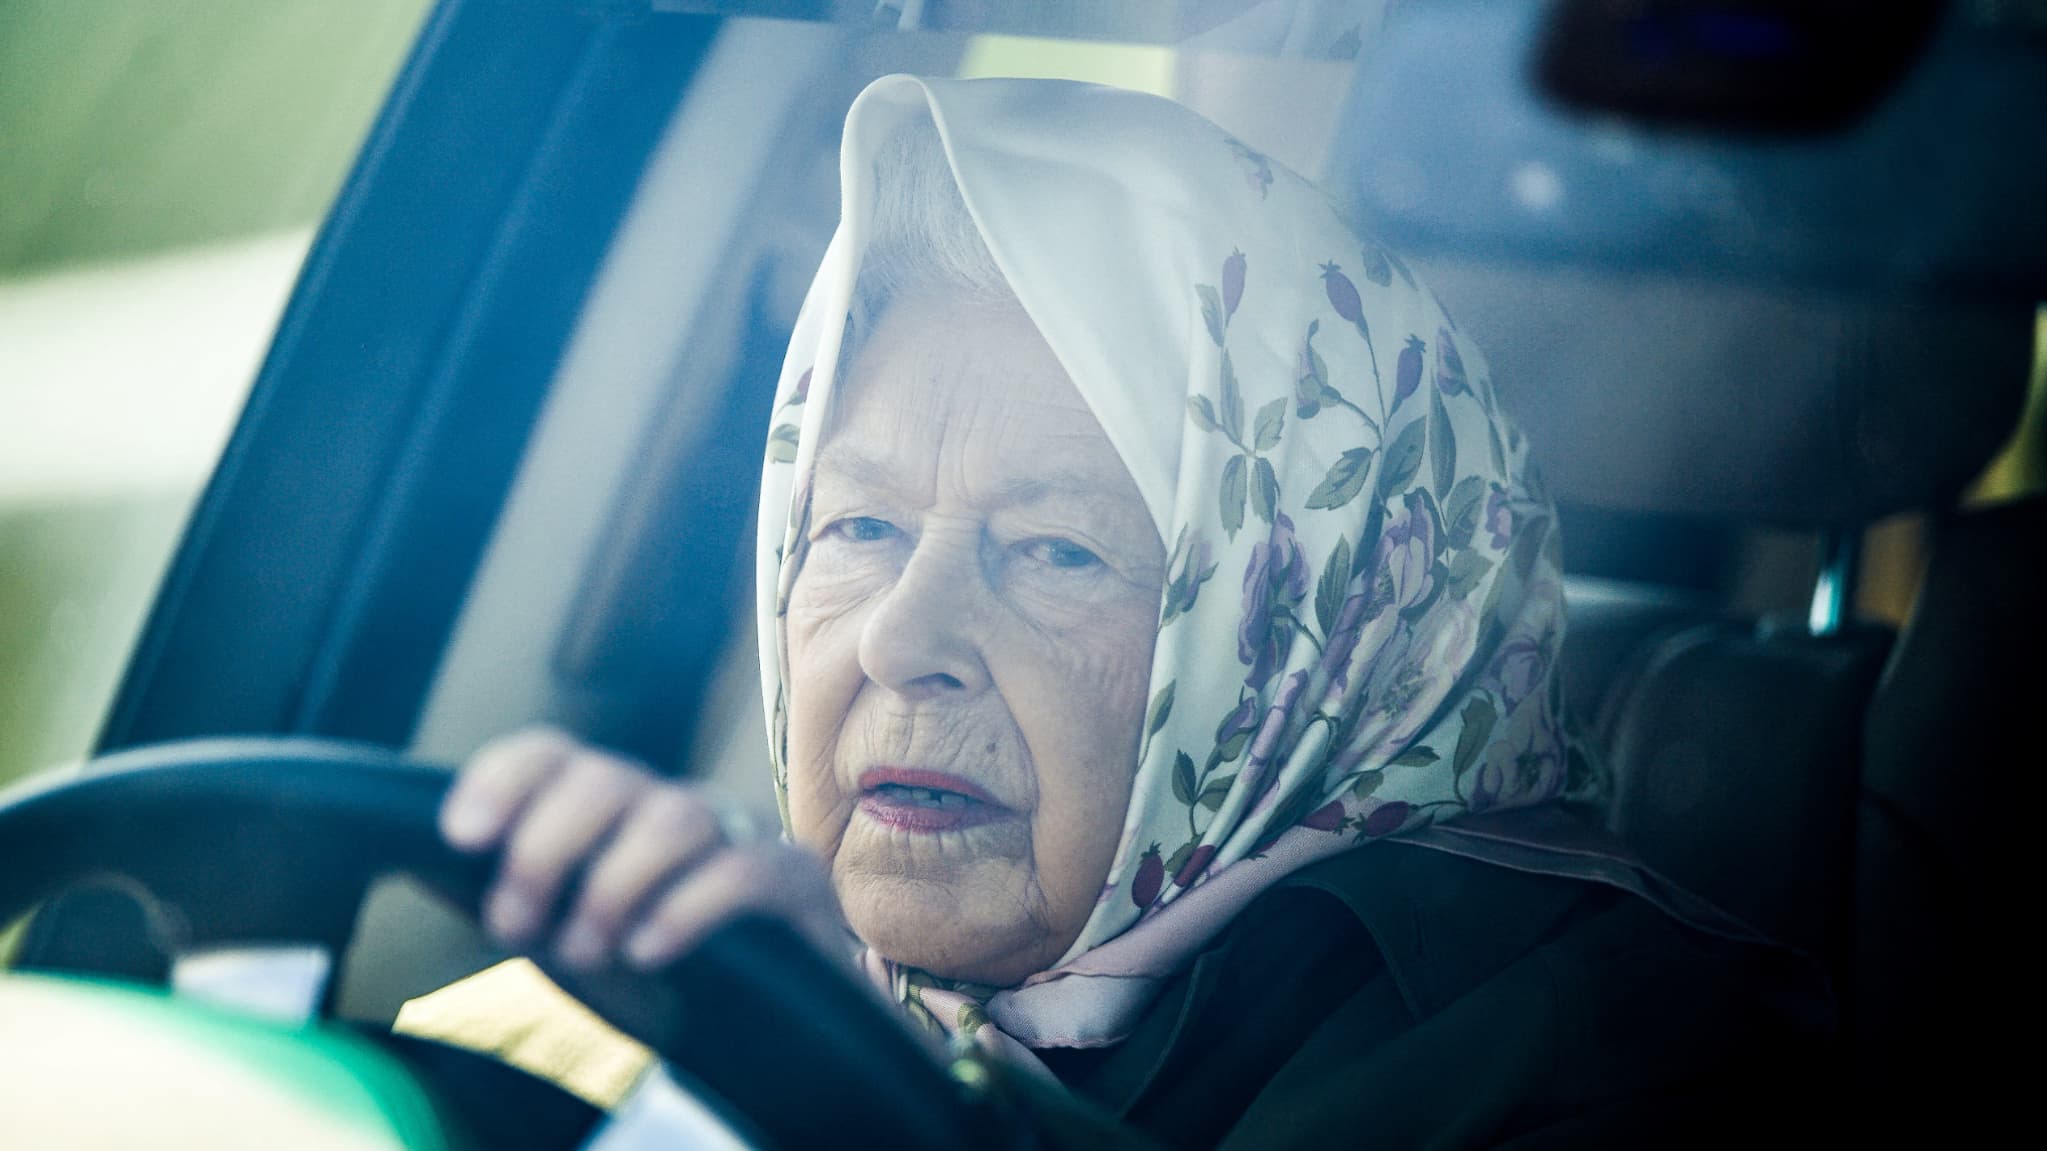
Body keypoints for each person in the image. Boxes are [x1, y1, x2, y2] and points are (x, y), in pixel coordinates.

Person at [435, 75, 1826, 1147]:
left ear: (1303, 636)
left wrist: (873, 1092)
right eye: (856, 529)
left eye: (1054, 553)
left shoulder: (1642, 1052)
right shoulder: (636, 977)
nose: (898, 642)